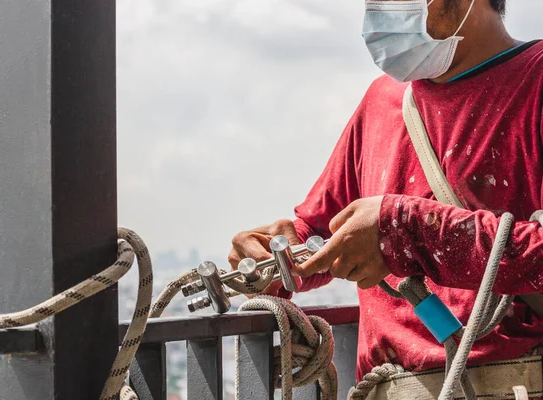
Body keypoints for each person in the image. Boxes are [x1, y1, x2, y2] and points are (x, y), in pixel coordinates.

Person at [228, 0, 543, 397]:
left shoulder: (536, 78)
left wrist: (403, 230)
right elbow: (323, 233)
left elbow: (386, 228)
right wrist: (280, 255)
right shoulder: (383, 101)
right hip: (385, 387)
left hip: (513, 382)